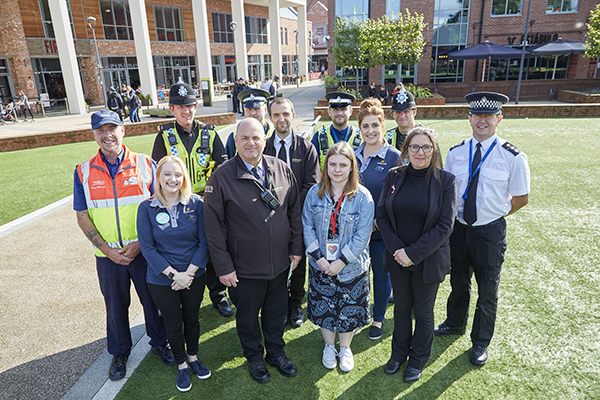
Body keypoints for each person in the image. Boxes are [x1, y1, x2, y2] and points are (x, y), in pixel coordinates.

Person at [73, 110, 173, 381]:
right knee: (115, 307)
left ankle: (160, 342)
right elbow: (82, 215)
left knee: (153, 300)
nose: (107, 135)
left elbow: (160, 207)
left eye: (112, 128)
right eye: (100, 130)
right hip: (107, 257)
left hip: (144, 251)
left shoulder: (145, 164)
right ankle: (119, 353)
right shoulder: (82, 171)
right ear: (94, 135)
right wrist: (107, 250)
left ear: (123, 130)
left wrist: (142, 242)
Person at [434, 92, 530, 367]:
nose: (482, 120)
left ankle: (480, 343)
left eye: (489, 115)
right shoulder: (455, 153)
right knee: (458, 282)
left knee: (487, 290)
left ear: (499, 119)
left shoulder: (512, 156)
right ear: (469, 118)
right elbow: (448, 192)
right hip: (459, 229)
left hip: (489, 231)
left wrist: (495, 213)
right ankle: (454, 323)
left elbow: (522, 198)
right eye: (478, 115)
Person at [204, 117, 303, 384]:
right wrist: (223, 267)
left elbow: (294, 211)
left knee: (275, 314)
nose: (251, 143)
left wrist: (295, 248)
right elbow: (213, 228)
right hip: (244, 270)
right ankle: (255, 358)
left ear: (265, 140)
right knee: (247, 319)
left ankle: (276, 353)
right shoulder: (222, 176)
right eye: (244, 138)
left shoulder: (281, 168)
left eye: (256, 137)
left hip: (280, 265)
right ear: (235, 142)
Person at [377, 127, 457, 383]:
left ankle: (418, 358)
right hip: (397, 257)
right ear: (406, 150)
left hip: (428, 259)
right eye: (414, 147)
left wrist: (413, 253)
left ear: (434, 150)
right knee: (401, 309)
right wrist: (398, 251)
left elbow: (445, 226)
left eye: (426, 147)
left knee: (423, 312)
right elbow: (382, 215)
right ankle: (398, 354)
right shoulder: (393, 176)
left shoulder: (446, 181)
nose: (419, 152)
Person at [151, 82, 232, 318]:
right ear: (172, 109)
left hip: (207, 201)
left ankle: (218, 295)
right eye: (180, 107)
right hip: (175, 203)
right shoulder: (164, 136)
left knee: (214, 246)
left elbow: (222, 169)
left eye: (190, 106)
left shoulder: (210, 132)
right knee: (183, 248)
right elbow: (159, 171)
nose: (186, 111)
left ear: (196, 107)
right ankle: (183, 288)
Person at [137, 156, 211, 392]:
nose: (173, 179)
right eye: (167, 174)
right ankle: (181, 365)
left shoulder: (196, 204)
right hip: (161, 280)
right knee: (173, 322)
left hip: (194, 276)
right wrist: (174, 276)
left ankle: (193, 358)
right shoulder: (146, 208)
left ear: (184, 178)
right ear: (158, 177)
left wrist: (188, 274)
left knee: (191, 318)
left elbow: (204, 242)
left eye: (178, 174)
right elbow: (147, 248)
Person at [303, 141, 374, 372]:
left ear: (352, 167)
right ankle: (328, 345)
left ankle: (345, 348)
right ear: (326, 166)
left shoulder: (363, 197)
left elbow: (363, 236)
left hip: (351, 267)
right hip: (321, 265)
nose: (337, 169)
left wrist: (341, 262)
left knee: (347, 309)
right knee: (324, 308)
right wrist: (319, 258)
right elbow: (307, 227)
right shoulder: (314, 193)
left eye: (343, 165)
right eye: (332, 164)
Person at [264, 97, 320, 328]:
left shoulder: (306, 148)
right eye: (276, 114)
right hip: (270, 218)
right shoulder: (263, 147)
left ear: (293, 115)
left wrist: (291, 207)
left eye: (285, 113)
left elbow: (313, 183)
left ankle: (296, 302)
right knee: (274, 260)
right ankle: (278, 303)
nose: (281, 118)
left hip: (298, 217)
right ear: (270, 118)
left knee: (298, 259)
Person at [353, 99, 401, 341]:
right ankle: (358, 315)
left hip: (383, 232)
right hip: (354, 232)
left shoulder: (395, 157)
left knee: (382, 276)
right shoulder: (353, 155)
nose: (370, 131)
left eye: (374, 125)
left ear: (383, 125)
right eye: (365, 126)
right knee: (356, 275)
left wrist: (377, 221)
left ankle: (378, 319)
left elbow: (398, 197)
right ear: (359, 129)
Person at [311, 91, 361, 170]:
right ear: (329, 112)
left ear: (351, 111)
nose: (339, 113)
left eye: (344, 109)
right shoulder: (318, 136)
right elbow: (313, 168)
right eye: (335, 109)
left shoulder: (361, 136)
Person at [224, 88, 275, 160]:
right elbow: (227, 165)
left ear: (265, 110)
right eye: (249, 110)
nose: (253, 113)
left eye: (257, 109)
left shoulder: (275, 133)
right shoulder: (234, 137)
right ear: (244, 112)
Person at [387, 87, 419, 151]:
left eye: (406, 111)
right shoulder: (388, 137)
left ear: (414, 112)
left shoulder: (425, 136)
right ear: (393, 114)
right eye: (398, 112)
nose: (402, 116)